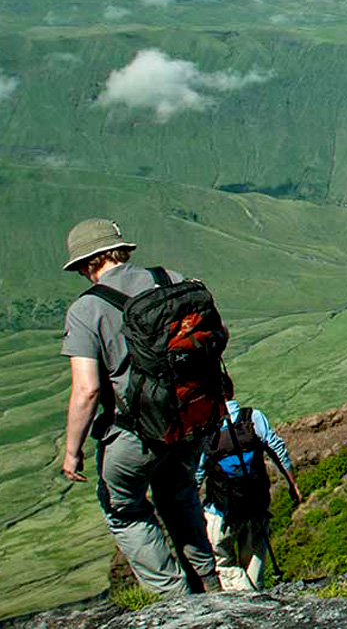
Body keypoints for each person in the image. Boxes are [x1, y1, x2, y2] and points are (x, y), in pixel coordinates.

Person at [57, 219, 222, 596]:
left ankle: (174, 600)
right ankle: (209, 583)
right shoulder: (170, 279)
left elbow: (87, 390)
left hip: (136, 433)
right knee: (178, 492)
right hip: (189, 419)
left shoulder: (86, 310)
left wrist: (72, 452)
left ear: (87, 263)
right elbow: (216, 335)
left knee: (123, 508)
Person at [195, 390, 303, 591]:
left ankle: (244, 599)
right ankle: (255, 596)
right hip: (256, 506)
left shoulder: (206, 428)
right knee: (254, 565)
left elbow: (198, 471)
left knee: (224, 565)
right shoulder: (252, 418)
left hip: (220, 512)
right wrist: (292, 484)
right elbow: (277, 449)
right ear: (231, 392)